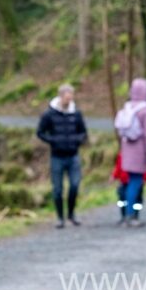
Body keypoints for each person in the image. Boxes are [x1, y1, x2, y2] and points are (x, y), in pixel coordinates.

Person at [37, 82, 88, 228]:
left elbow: (83, 131)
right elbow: (40, 132)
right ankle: (60, 217)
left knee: (74, 185)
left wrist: (78, 141)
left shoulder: (76, 114)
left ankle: (71, 214)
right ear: (60, 97)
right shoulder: (49, 114)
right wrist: (53, 141)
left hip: (73, 155)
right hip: (57, 156)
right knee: (58, 189)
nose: (69, 100)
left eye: (71, 97)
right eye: (66, 97)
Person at [114, 77, 146, 228]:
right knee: (135, 183)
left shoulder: (128, 107)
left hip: (127, 151)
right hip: (139, 152)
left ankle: (125, 214)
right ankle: (131, 216)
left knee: (127, 184)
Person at [112, 151, 146, 224]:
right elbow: (118, 167)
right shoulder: (122, 155)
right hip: (124, 182)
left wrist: (145, 178)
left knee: (137, 201)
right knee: (122, 200)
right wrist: (114, 176)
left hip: (137, 181)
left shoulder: (140, 155)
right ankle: (124, 216)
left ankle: (135, 215)